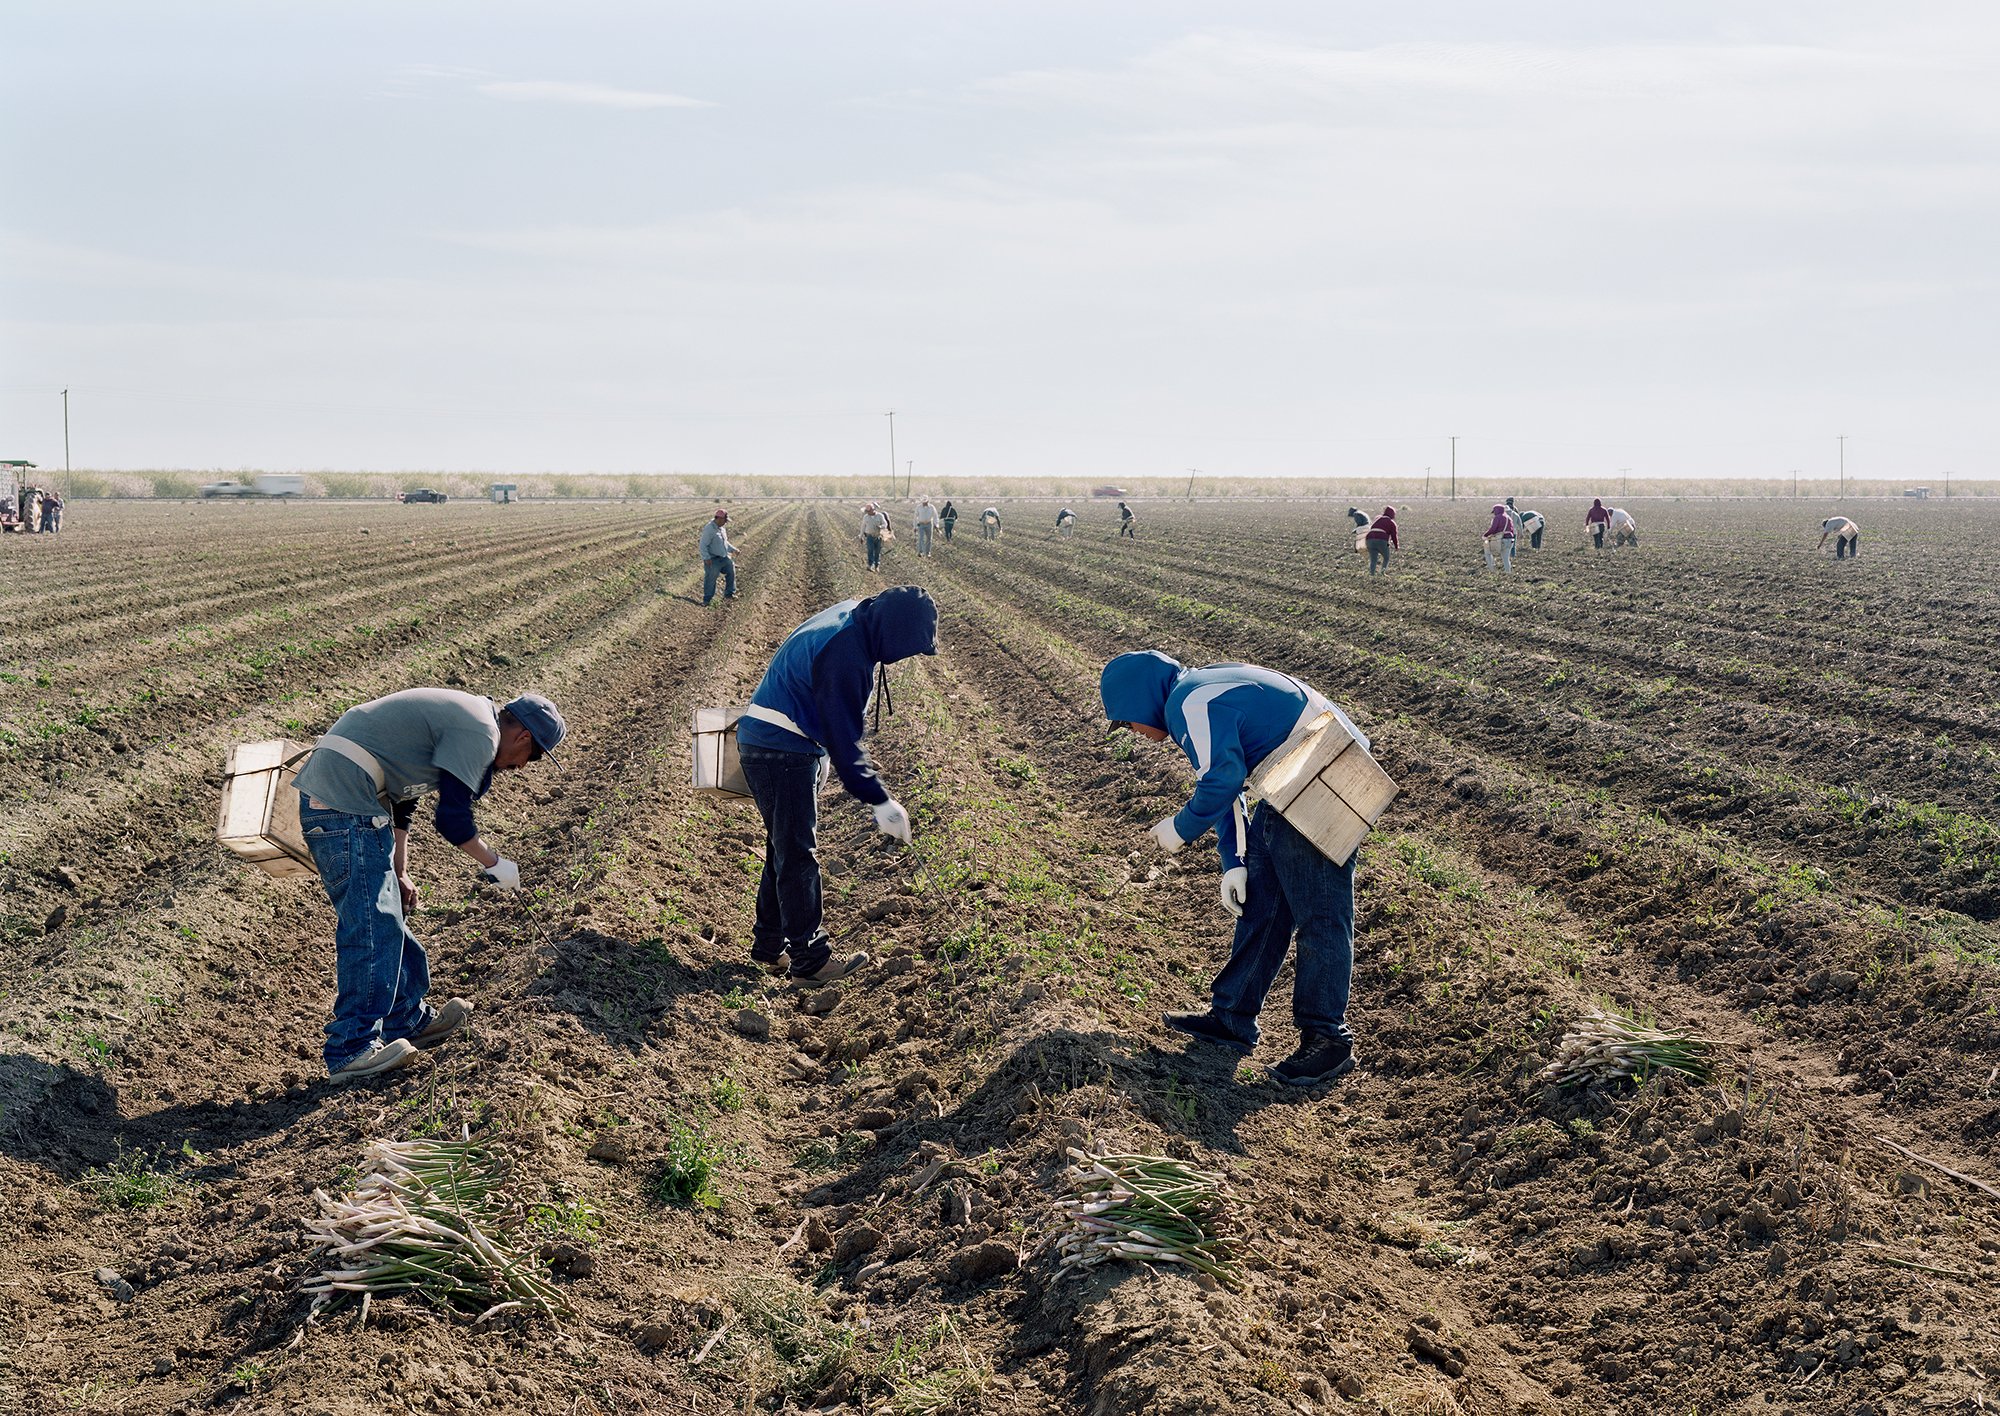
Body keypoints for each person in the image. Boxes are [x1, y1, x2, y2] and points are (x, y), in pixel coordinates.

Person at [1100, 652, 1366, 1087]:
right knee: (1262, 900)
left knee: (1321, 913)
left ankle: (1327, 1039)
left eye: (1128, 722)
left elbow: (1221, 781)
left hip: (1324, 770)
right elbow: (1226, 781)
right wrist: (1234, 864)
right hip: (1301, 769)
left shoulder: (1188, 702)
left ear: (1140, 699)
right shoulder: (1193, 692)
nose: (1132, 732)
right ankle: (1232, 1017)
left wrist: (1181, 829)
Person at [293, 689, 566, 1081]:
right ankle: (350, 1049)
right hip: (341, 801)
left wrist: (399, 869)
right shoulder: (480, 732)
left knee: (386, 917)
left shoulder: (472, 720)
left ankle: (406, 1020)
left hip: (355, 798)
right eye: (534, 757)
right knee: (372, 926)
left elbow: (406, 796)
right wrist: (496, 864)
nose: (524, 766)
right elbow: (452, 820)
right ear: (523, 736)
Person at [735, 587, 938, 982]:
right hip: (781, 748)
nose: (904, 656)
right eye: (909, 647)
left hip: (772, 740)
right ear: (894, 632)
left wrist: (821, 756)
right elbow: (843, 739)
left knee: (784, 845)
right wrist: (880, 801)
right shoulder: (848, 653)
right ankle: (810, 962)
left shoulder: (853, 615)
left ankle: (770, 944)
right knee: (797, 854)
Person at [699, 509, 738, 605]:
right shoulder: (709, 529)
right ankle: (707, 600)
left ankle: (729, 594)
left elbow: (724, 543)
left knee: (731, 569)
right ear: (719, 519)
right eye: (725, 520)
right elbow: (703, 545)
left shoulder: (721, 529)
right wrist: (706, 557)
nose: (725, 522)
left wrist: (733, 549)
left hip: (723, 558)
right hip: (712, 559)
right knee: (710, 579)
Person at [1482, 503, 1516, 572]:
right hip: (1510, 540)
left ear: (1496, 511)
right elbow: (1512, 530)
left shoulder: (1497, 517)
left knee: (1488, 552)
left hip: (1501, 540)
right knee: (1506, 558)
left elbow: (1493, 529)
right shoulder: (1508, 518)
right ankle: (1508, 573)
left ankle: (1492, 570)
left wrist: (1485, 535)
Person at [1364, 506, 1397, 576]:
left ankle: (1372, 574)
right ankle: (1382, 573)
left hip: (1369, 539)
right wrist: (1396, 546)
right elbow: (1394, 536)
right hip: (1381, 540)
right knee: (1386, 557)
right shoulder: (1391, 523)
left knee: (1373, 559)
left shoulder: (1377, 519)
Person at [861, 502, 891, 571]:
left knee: (877, 551)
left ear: (873, 510)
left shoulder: (880, 516)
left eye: (869, 511)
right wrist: (861, 536)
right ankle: (870, 564)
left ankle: (877, 565)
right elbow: (863, 526)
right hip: (869, 536)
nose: (868, 512)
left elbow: (885, 524)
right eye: (867, 511)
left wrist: (881, 526)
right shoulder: (866, 517)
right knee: (870, 550)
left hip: (878, 536)